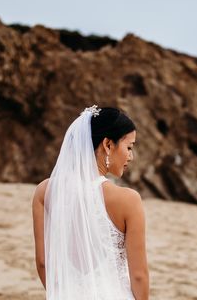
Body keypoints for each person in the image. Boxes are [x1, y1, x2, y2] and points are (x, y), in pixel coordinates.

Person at [31, 105, 149, 299]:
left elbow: (43, 262)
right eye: (129, 147)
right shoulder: (128, 200)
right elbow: (139, 276)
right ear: (108, 145)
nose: (131, 156)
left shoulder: (45, 191)